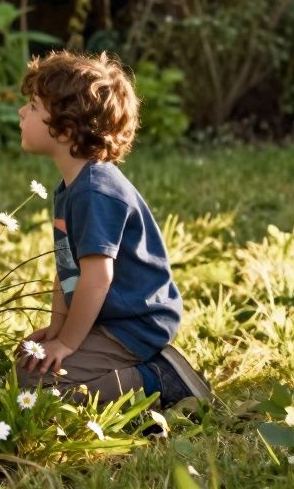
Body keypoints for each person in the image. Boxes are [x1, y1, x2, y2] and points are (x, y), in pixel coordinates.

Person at [15, 51, 212, 409]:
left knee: (40, 394)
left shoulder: (96, 191)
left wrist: (68, 344)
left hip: (133, 323)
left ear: (65, 129)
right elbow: (68, 272)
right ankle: (132, 373)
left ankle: (161, 380)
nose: (22, 113)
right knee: (28, 363)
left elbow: (97, 278)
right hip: (107, 318)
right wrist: (56, 332)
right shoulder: (71, 187)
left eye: (32, 106)